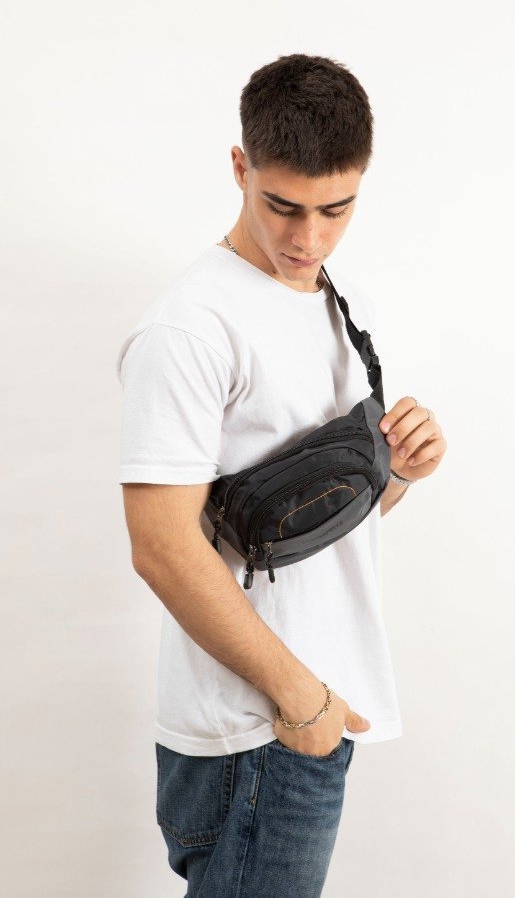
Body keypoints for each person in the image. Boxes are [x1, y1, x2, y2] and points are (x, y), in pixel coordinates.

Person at [116, 53, 446, 898]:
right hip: (254, 723)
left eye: (336, 209)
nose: (309, 239)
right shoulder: (190, 327)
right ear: (241, 167)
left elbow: (312, 525)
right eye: (283, 206)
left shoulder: (343, 302)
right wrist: (300, 699)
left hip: (310, 713)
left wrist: (401, 473)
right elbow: (161, 546)